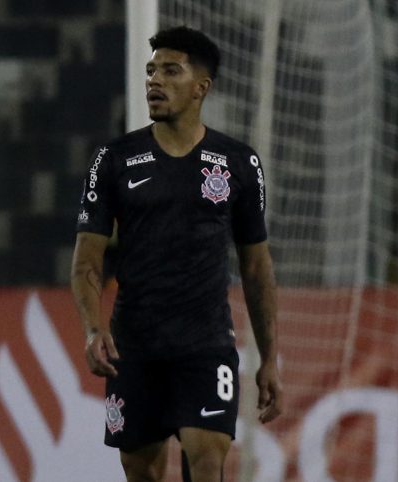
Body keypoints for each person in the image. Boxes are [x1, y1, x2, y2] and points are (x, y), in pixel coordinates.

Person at [70, 25, 283, 482]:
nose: (155, 81)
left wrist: (270, 358)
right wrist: (92, 329)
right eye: (151, 71)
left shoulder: (239, 163)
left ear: (201, 88)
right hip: (135, 347)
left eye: (170, 71)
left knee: (207, 461)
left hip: (205, 345)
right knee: (141, 472)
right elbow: (87, 261)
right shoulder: (114, 159)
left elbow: (256, 267)